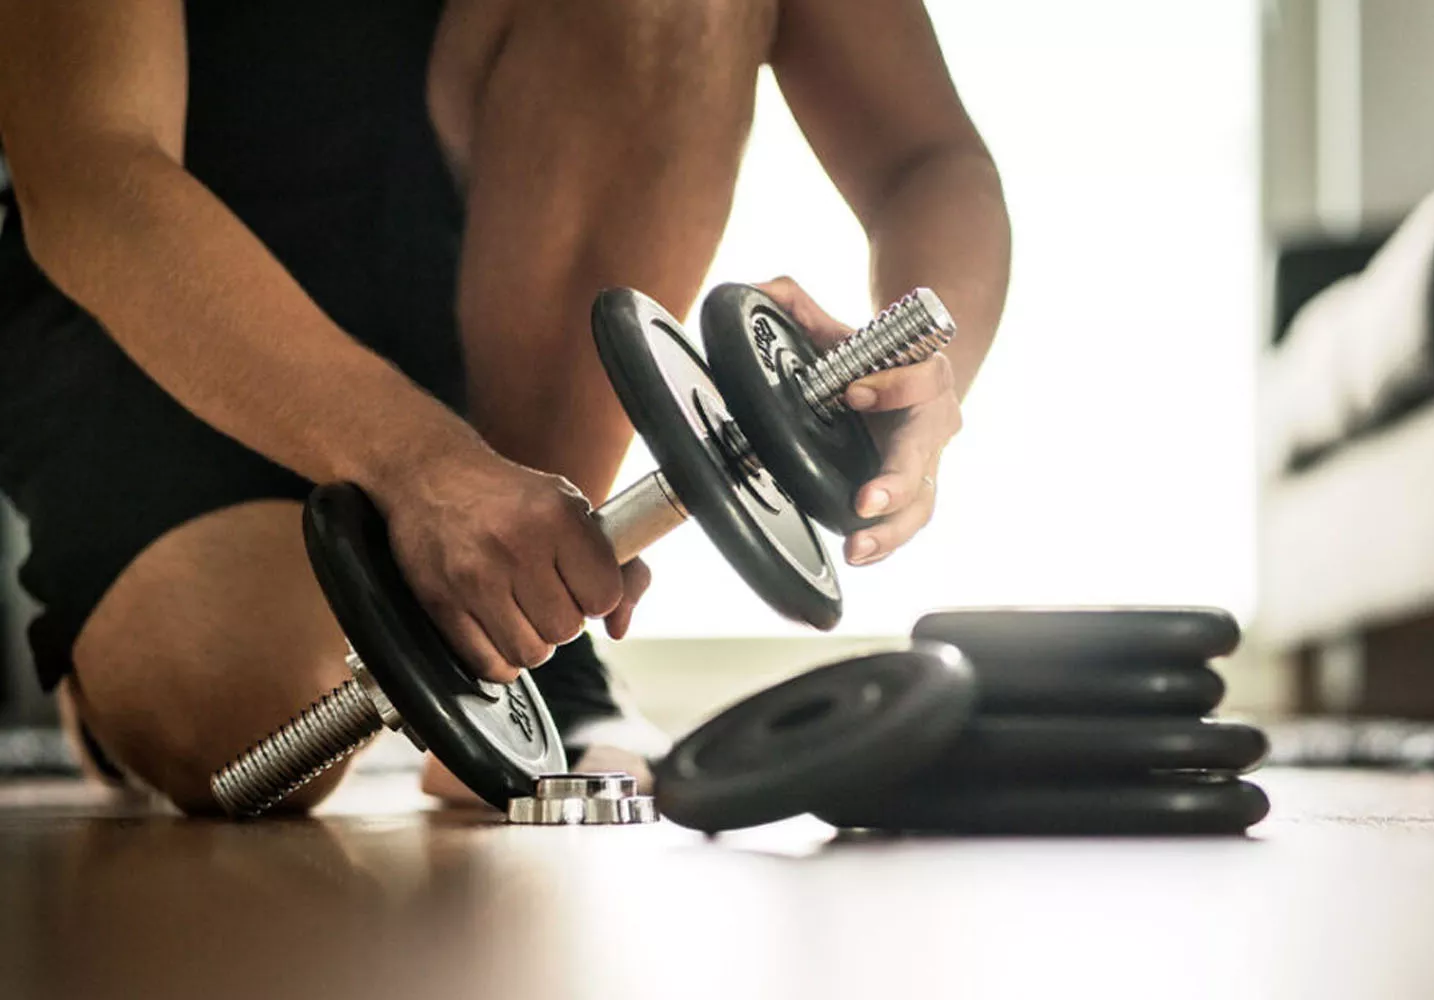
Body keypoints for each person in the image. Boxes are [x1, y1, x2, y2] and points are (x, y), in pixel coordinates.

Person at [0, 0, 1010, 812]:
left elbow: (925, 157)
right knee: (254, 712)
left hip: (486, 309)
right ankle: (117, 663)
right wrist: (421, 463)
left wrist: (926, 365)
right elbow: (92, 168)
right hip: (177, 321)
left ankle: (536, 650)